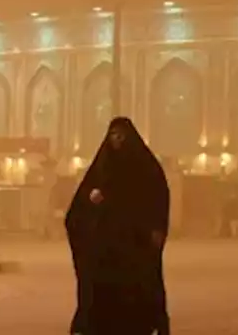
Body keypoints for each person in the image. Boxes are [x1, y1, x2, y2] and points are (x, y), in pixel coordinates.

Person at [66, 117, 171, 335]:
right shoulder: (102, 166)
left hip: (136, 243)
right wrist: (90, 198)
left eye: (121, 136)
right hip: (106, 247)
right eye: (113, 135)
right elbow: (77, 209)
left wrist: (156, 229)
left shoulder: (146, 168)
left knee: (137, 290)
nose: (117, 140)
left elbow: (158, 198)